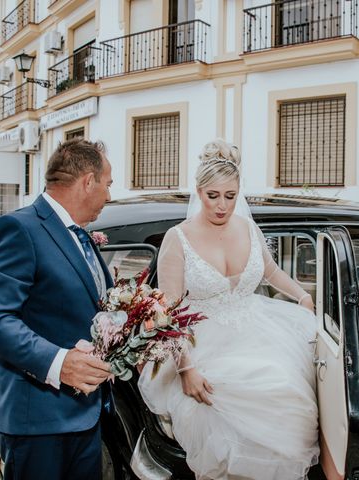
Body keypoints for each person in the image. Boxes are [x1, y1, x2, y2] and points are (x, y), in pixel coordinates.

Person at [138, 139, 321, 479]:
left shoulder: (248, 227)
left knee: (289, 398)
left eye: (230, 196)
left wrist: (301, 296)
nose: (222, 206)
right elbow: (168, 312)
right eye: (213, 196)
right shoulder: (178, 239)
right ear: (199, 191)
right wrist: (185, 369)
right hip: (199, 341)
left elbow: (271, 272)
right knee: (214, 412)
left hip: (259, 330)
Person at [0, 138, 114, 480]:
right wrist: (59, 362)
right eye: (108, 185)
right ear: (88, 181)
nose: (110, 196)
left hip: (86, 414)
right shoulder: (19, 228)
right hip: (37, 419)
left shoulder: (80, 235)